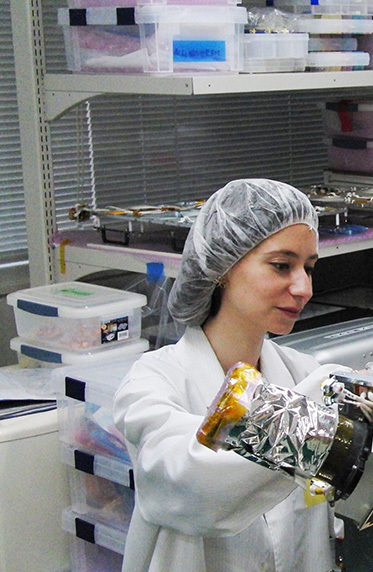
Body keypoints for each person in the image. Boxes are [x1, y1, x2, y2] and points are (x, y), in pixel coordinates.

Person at [113, 179, 343, 571]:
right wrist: (318, 424)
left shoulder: (303, 373)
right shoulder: (153, 384)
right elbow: (193, 485)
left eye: (308, 267)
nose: (303, 287)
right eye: (281, 265)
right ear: (222, 267)